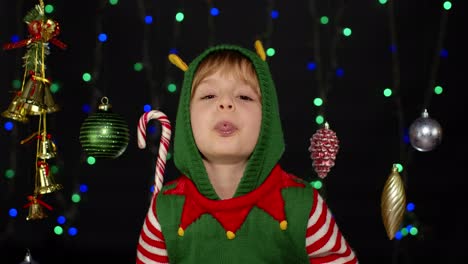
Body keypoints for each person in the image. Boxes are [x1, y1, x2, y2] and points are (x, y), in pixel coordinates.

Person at [136, 41, 359, 263]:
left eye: (244, 97)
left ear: (267, 120)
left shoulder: (303, 205)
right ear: (186, 119)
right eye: (208, 96)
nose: (225, 103)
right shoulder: (165, 211)